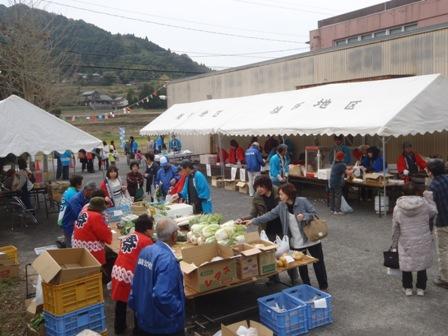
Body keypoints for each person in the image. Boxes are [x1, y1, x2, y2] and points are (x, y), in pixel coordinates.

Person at [247, 183, 328, 290]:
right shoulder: (281, 206)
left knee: (318, 261)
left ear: (288, 194)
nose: (279, 197)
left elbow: (313, 213)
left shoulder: (302, 201)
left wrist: (304, 216)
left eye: (281, 194)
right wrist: (253, 221)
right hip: (296, 241)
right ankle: (306, 286)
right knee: (301, 265)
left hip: (311, 237)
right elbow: (269, 215)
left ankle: (323, 286)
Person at [129, 217, 185, 336]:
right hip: (163, 325)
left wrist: (137, 306)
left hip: (144, 317)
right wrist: (178, 310)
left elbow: (136, 282)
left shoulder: (146, 251)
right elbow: (162, 295)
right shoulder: (168, 260)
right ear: (174, 235)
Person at [391, 183, 437, 296]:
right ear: (417, 192)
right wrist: (429, 197)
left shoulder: (398, 208)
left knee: (406, 262)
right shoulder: (424, 204)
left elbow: (395, 227)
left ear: (403, 193)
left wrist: (394, 244)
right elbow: (434, 212)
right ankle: (421, 288)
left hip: (406, 239)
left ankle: (408, 288)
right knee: (421, 261)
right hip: (423, 238)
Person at [112, 214, 154, 335]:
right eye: (152, 228)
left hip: (118, 271)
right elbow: (151, 258)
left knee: (121, 301)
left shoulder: (130, 236)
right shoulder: (146, 241)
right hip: (130, 275)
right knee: (138, 302)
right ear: (147, 229)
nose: (153, 230)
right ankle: (138, 330)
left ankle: (119, 328)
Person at [72, 196, 112, 265]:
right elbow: (104, 236)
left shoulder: (84, 213)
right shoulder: (96, 216)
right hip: (91, 252)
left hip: (78, 248)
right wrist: (108, 230)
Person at [427, 159, 448, 289]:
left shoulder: (433, 186)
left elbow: (431, 210)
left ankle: (445, 279)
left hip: (443, 222)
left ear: (431, 172)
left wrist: (428, 229)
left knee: (444, 250)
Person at [61, 181, 97, 247]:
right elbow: (80, 215)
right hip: (70, 225)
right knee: (72, 247)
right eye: (92, 192)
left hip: (78, 225)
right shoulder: (75, 200)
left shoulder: (88, 197)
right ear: (86, 190)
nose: (93, 195)